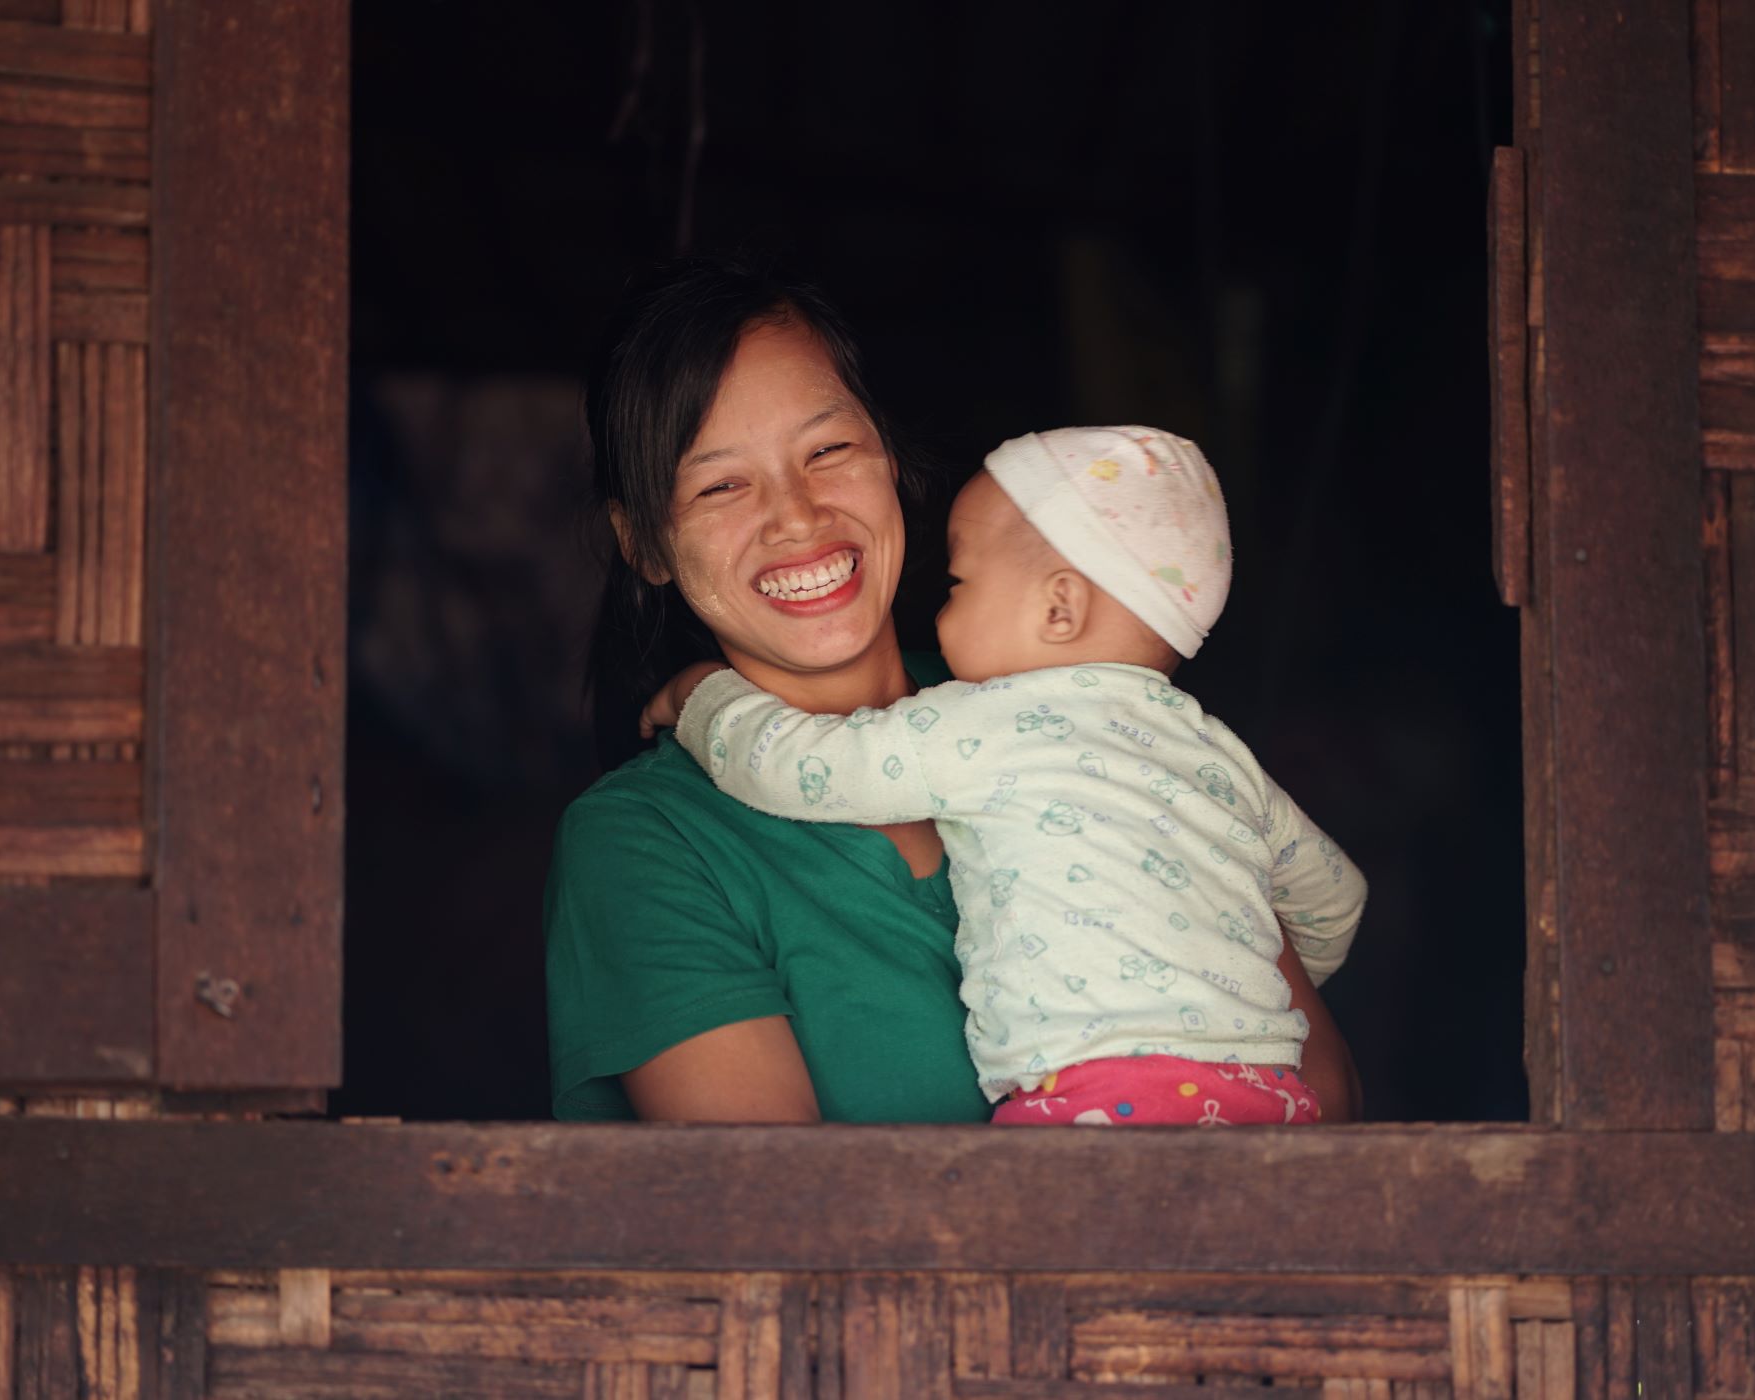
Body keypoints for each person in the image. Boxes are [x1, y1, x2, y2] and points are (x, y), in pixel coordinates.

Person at [547, 255, 1359, 1122]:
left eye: (829, 450)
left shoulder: (1090, 723)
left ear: (888, 460)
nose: (797, 514)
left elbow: (1332, 1087)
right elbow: (769, 1215)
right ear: (645, 544)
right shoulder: (646, 843)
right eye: (720, 484)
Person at [650, 426, 1366, 1125]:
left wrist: (701, 696)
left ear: (1060, 606)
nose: (941, 607)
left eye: (959, 582)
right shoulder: (1220, 756)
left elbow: (797, 766)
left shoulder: (984, 725)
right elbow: (1336, 900)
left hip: (1104, 1103)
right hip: (1273, 1097)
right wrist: (1232, 978)